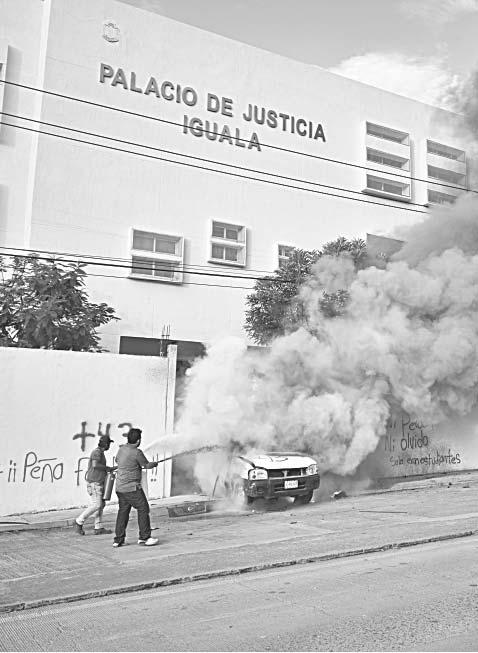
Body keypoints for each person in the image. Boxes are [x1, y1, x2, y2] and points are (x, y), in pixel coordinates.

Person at [113, 427, 159, 548]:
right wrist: (154, 464)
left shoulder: (121, 449)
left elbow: (117, 460)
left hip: (120, 488)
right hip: (132, 488)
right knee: (143, 508)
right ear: (138, 440)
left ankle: (118, 540)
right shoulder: (137, 452)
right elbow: (146, 465)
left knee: (123, 512)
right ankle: (145, 537)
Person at [74, 434, 116, 535]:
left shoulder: (100, 452)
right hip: (94, 483)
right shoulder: (97, 452)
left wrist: (109, 469)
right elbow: (95, 465)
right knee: (97, 504)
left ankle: (98, 527)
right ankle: (79, 521)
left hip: (98, 482)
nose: (109, 446)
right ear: (106, 444)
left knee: (101, 505)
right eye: (109, 444)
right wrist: (107, 468)